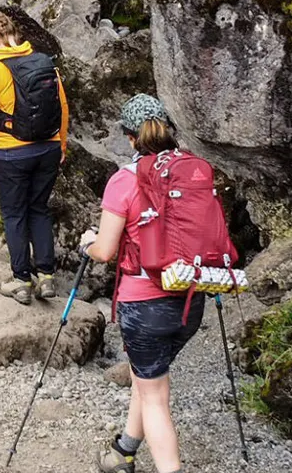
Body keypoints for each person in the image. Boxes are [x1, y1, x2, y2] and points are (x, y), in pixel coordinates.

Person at [82, 95, 202, 473]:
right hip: (190, 300)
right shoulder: (193, 171)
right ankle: (123, 451)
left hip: (144, 305)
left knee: (155, 397)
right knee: (148, 376)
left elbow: (105, 251)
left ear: (131, 138)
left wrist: (86, 242)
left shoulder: (124, 180)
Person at [0, 12, 69, 305]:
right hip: (48, 147)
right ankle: (46, 276)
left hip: (13, 152)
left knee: (14, 214)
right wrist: (62, 145)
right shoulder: (45, 62)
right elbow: (63, 108)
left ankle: (22, 280)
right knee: (39, 209)